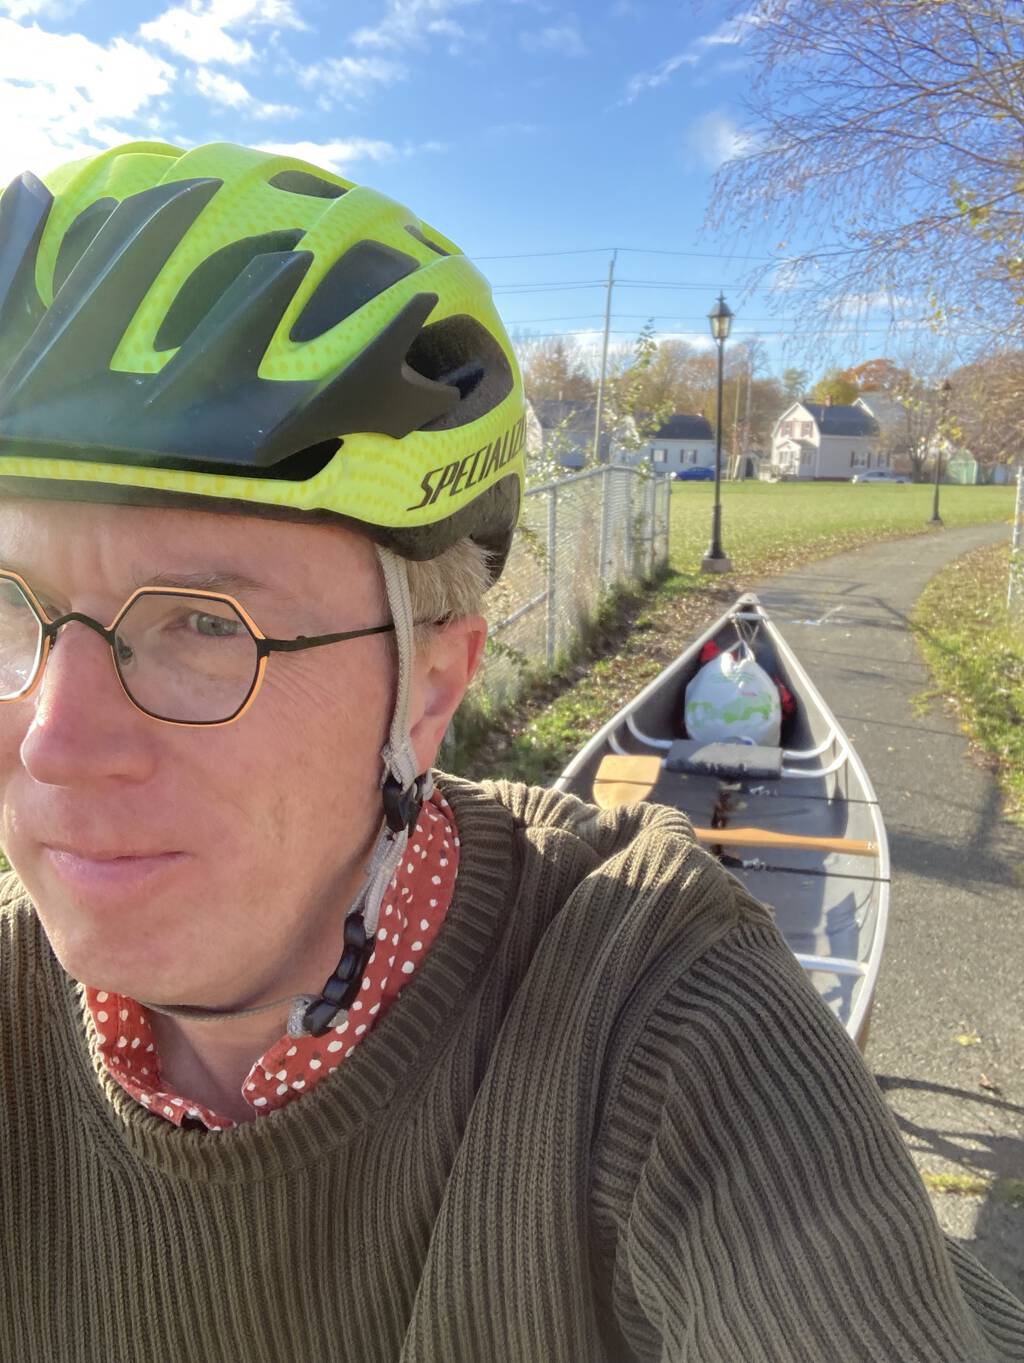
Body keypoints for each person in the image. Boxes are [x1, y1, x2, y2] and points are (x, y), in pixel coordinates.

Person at [0, 140, 1020, 1363]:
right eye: (7, 607)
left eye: (204, 625)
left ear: (430, 685)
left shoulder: (655, 1018)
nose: (55, 742)